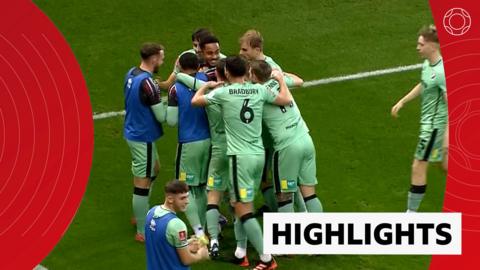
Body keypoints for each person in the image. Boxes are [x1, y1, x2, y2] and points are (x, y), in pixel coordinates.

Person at [191, 55, 293, 270]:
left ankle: (266, 258)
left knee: (241, 206)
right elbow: (285, 100)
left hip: (240, 157)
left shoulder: (223, 93)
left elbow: (195, 101)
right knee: (244, 205)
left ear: (227, 73)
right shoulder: (259, 90)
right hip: (258, 156)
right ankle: (242, 252)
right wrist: (282, 80)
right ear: (246, 71)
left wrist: (206, 86)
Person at [239, 29, 306, 213]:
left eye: (244, 50)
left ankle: (291, 216)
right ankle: (281, 210)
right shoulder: (267, 67)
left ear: (256, 48)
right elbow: (296, 81)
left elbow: (284, 95)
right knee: (279, 180)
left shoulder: (264, 69)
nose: (241, 53)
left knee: (281, 182)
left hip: (271, 136)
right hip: (279, 133)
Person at [250, 60, 323, 214]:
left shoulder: (258, 92)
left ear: (255, 76)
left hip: (287, 147)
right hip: (305, 138)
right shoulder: (279, 82)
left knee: (283, 196)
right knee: (310, 194)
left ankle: (288, 237)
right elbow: (298, 80)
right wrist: (281, 75)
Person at [391, 25, 448, 212]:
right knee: (445, 165)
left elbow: (453, 106)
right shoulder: (427, 65)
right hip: (428, 125)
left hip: (433, 128)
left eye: (421, 44)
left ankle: (410, 214)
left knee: (418, 165)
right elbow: (424, 84)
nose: (417, 47)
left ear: (432, 46)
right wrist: (403, 101)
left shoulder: (442, 73)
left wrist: (447, 135)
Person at [123, 42, 168, 242]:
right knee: (142, 181)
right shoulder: (149, 84)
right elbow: (161, 116)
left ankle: (140, 209)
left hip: (134, 131)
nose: (163, 61)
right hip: (143, 136)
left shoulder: (131, 73)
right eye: (161, 57)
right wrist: (174, 102)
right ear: (153, 59)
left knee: (155, 168)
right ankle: (142, 230)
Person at [166, 52, 211, 242]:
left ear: (180, 66)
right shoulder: (205, 80)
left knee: (186, 189)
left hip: (189, 143)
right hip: (209, 142)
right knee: (201, 188)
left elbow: (171, 121)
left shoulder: (175, 89)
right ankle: (205, 230)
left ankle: (199, 234)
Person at [145, 180, 210, 270]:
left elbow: (162, 243)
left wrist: (186, 244)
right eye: (182, 198)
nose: (187, 201)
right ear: (170, 199)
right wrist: (201, 255)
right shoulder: (177, 225)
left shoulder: (151, 212)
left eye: (187, 197)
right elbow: (186, 260)